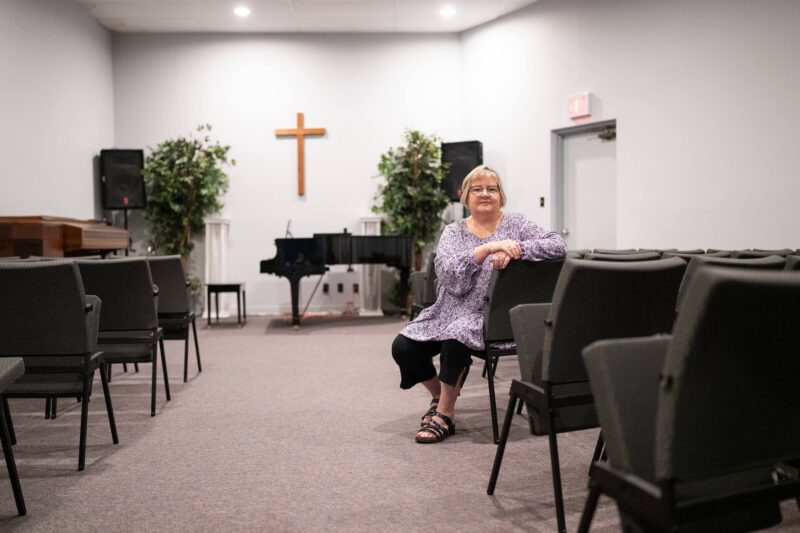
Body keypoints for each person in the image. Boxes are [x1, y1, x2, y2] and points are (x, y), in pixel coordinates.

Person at [391, 164, 566, 443]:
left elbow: (557, 245)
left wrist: (515, 248)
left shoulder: (516, 224)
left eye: (492, 189)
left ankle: (445, 415)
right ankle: (439, 395)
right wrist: (484, 250)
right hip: (447, 312)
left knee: (457, 336)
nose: (485, 193)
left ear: (501, 196)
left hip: (492, 316)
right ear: (466, 197)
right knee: (403, 347)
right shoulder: (454, 231)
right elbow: (449, 276)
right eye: (477, 189)